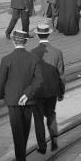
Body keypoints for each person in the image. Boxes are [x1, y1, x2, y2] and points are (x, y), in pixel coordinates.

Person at [0, 29, 43, 161]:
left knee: (17, 133)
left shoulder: (6, 59)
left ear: (13, 41)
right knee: (25, 130)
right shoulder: (33, 58)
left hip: (13, 101)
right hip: (28, 101)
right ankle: (21, 159)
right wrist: (28, 93)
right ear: (26, 42)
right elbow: (39, 79)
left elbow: (0, 81)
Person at [31, 22, 65, 153]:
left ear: (38, 35)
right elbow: (61, 74)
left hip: (37, 92)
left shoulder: (32, 53)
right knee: (51, 113)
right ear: (49, 34)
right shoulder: (57, 52)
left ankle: (42, 145)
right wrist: (61, 92)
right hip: (52, 90)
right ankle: (54, 138)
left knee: (38, 118)